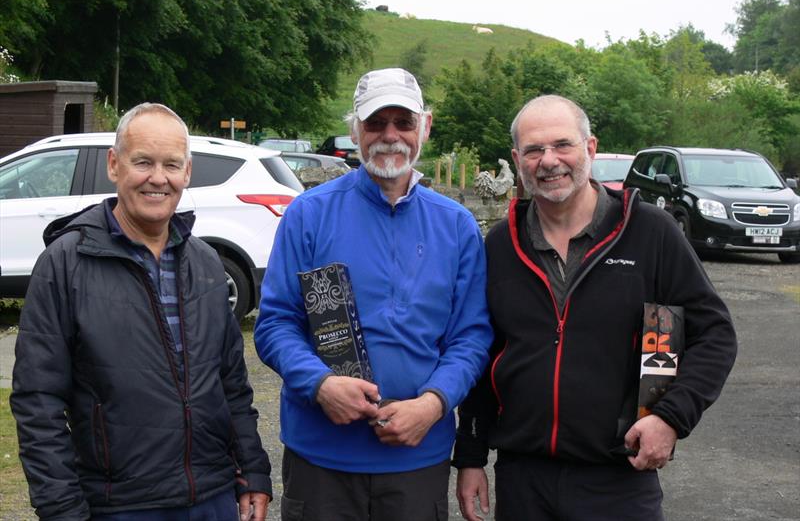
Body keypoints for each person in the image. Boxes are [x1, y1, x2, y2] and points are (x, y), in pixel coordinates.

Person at [453, 95, 737, 521]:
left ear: (590, 148)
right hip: (523, 479)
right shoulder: (500, 245)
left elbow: (714, 334)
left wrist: (671, 418)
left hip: (619, 480)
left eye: (562, 145)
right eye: (533, 150)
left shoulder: (649, 232)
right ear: (517, 159)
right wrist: (471, 455)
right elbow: (482, 352)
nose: (548, 161)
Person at [11, 103, 271, 520]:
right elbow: (37, 402)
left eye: (171, 164)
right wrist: (61, 510)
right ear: (114, 165)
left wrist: (253, 470)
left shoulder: (205, 264)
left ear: (187, 172)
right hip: (119, 506)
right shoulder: (65, 263)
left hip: (212, 498)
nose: (158, 178)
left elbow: (231, 385)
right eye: (143, 162)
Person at [254, 68, 493, 520]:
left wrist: (434, 403)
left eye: (403, 123)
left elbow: (471, 337)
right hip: (321, 460)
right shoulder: (309, 214)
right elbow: (275, 324)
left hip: (417, 459)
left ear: (425, 127)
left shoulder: (456, 225)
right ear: (354, 131)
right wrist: (319, 383)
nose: (389, 136)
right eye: (375, 123)